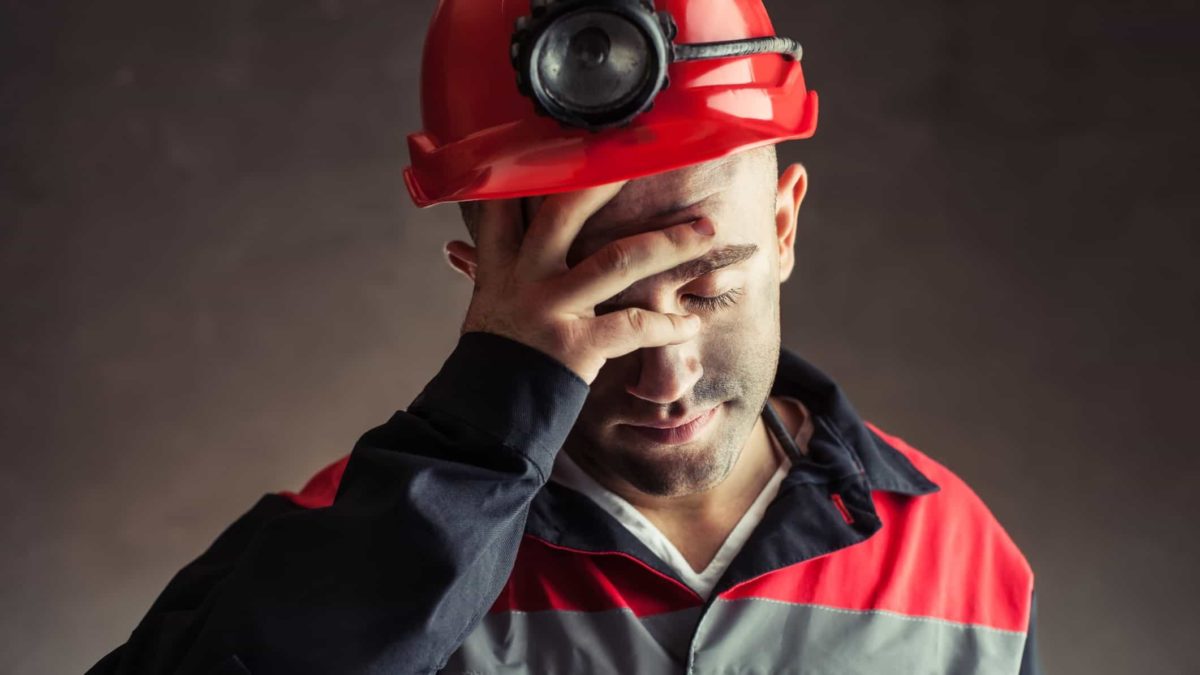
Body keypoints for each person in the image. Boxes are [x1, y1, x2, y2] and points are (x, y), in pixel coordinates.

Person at [88, 1, 1042, 673]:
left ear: (785, 229)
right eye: (590, 303)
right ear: (484, 291)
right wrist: (483, 427)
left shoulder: (963, 560)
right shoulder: (352, 541)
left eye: (708, 284)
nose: (663, 376)